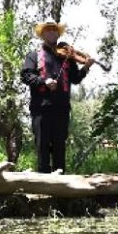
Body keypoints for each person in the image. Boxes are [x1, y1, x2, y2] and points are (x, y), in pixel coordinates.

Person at [21, 21, 94, 173]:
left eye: (54, 30)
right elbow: (26, 76)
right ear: (43, 34)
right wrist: (44, 81)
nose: (51, 33)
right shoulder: (33, 55)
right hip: (41, 107)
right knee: (42, 144)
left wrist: (86, 67)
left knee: (60, 144)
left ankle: (60, 182)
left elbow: (75, 78)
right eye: (48, 30)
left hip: (62, 107)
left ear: (58, 33)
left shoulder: (67, 57)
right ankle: (43, 180)